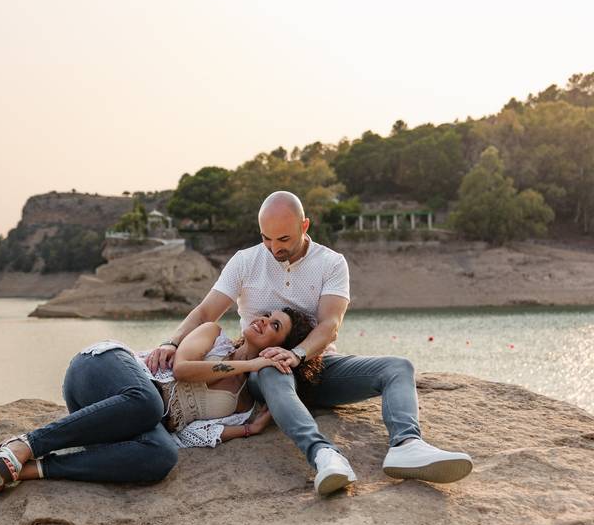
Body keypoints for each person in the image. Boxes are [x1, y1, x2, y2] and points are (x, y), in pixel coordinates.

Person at [145, 191, 473, 497]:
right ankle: (324, 455)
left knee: (398, 367)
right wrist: (171, 341)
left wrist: (298, 353)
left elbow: (330, 324)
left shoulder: (331, 263)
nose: (274, 248)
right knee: (273, 370)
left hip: (316, 365)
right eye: (266, 238)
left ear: (305, 226)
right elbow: (205, 311)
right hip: (265, 369)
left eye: (284, 238)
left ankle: (407, 445)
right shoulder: (246, 261)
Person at [0, 307, 315, 494]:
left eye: (275, 326)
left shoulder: (242, 407)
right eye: (267, 313)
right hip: (100, 369)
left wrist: (248, 431)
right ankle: (25, 444)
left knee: (162, 455)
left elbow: (187, 434)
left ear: (283, 347)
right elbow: (184, 369)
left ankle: (31, 469)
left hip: (115, 421)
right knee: (148, 403)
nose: (262, 320)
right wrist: (251, 364)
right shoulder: (213, 334)